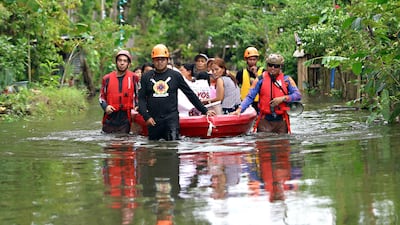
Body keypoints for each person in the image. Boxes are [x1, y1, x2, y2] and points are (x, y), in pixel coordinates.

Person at [138, 44, 216, 141]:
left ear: (167, 60)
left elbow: (190, 94)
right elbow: (141, 99)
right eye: (157, 59)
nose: (160, 62)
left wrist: (205, 110)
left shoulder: (175, 75)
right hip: (154, 120)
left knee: (172, 146)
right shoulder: (146, 77)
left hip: (171, 119)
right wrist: (146, 117)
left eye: (162, 59)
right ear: (153, 61)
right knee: (154, 148)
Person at [232, 53, 302, 134]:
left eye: (276, 66)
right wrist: (239, 109)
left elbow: (297, 95)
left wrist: (283, 98)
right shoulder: (259, 80)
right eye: (270, 65)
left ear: (280, 67)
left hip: (281, 121)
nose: (273, 68)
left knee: (283, 144)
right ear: (267, 65)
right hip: (264, 120)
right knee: (263, 144)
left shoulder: (287, 80)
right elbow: (250, 97)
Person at [99, 50, 138, 134]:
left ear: (128, 64)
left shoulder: (134, 78)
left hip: (126, 117)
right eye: (119, 60)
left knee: (124, 143)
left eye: (125, 61)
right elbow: (101, 97)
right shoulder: (107, 78)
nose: (122, 63)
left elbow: (139, 96)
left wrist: (137, 108)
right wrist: (105, 107)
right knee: (109, 144)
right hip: (110, 116)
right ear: (116, 62)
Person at [236, 47, 264, 112]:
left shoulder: (263, 72)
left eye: (254, 59)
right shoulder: (241, 73)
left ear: (257, 60)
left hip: (259, 103)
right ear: (246, 60)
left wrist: (256, 74)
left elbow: (265, 85)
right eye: (250, 59)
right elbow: (236, 87)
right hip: (245, 103)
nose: (252, 62)